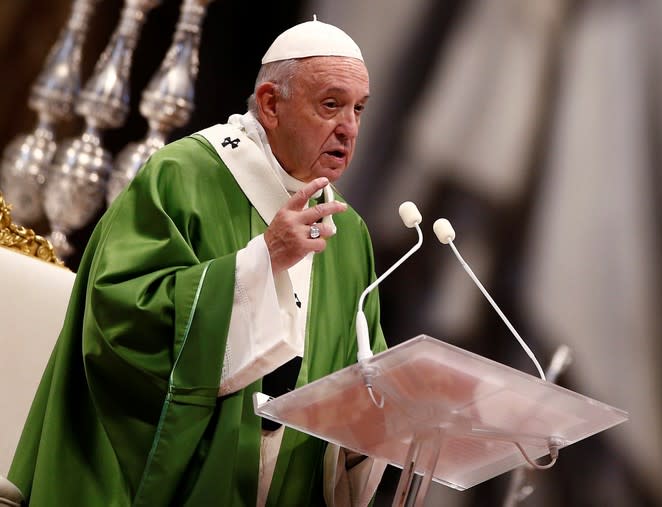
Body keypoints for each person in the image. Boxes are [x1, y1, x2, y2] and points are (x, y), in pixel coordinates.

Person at [7, 18, 388, 506]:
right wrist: (263, 259)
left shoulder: (349, 232)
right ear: (271, 104)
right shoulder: (183, 176)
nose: (349, 129)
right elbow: (119, 316)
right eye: (330, 105)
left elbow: (365, 376)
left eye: (358, 109)